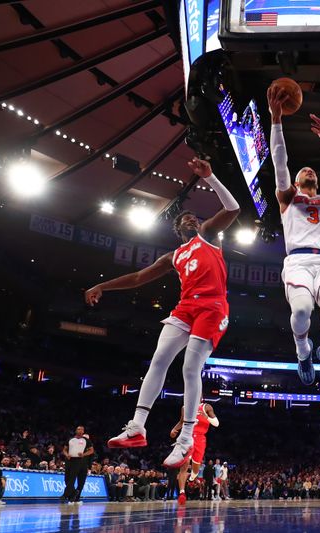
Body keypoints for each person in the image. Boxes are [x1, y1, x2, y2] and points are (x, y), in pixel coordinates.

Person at [85, 157, 240, 468]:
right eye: (186, 218)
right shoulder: (174, 256)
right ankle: (138, 426)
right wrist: (104, 285)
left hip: (213, 305)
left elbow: (234, 209)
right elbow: (139, 277)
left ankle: (185, 439)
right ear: (176, 228)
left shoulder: (207, 235)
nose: (192, 219)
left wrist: (210, 178)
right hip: (186, 307)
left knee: (189, 368)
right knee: (159, 359)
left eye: (195, 217)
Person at [267, 86, 320, 386]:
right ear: (297, 180)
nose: (308, 170)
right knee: (302, 308)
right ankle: (303, 351)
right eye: (303, 169)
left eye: (311, 170)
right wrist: (276, 120)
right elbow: (279, 162)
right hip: (298, 261)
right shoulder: (288, 198)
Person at [170, 402, 219, 505]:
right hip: (187, 437)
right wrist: (174, 429)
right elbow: (181, 422)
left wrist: (206, 416)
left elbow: (216, 423)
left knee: (195, 469)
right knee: (184, 465)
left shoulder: (206, 407)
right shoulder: (185, 407)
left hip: (200, 439)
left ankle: (192, 478)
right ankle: (182, 493)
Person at [61, 426, 93, 504]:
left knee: (74, 479)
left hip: (79, 461)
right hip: (69, 460)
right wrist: (66, 454)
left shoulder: (87, 441)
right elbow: (64, 449)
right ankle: (74, 493)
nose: (80, 430)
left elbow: (91, 451)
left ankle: (66, 495)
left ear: (83, 431)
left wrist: (84, 454)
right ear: (76, 430)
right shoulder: (70, 439)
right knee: (67, 479)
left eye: (82, 429)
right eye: (79, 429)